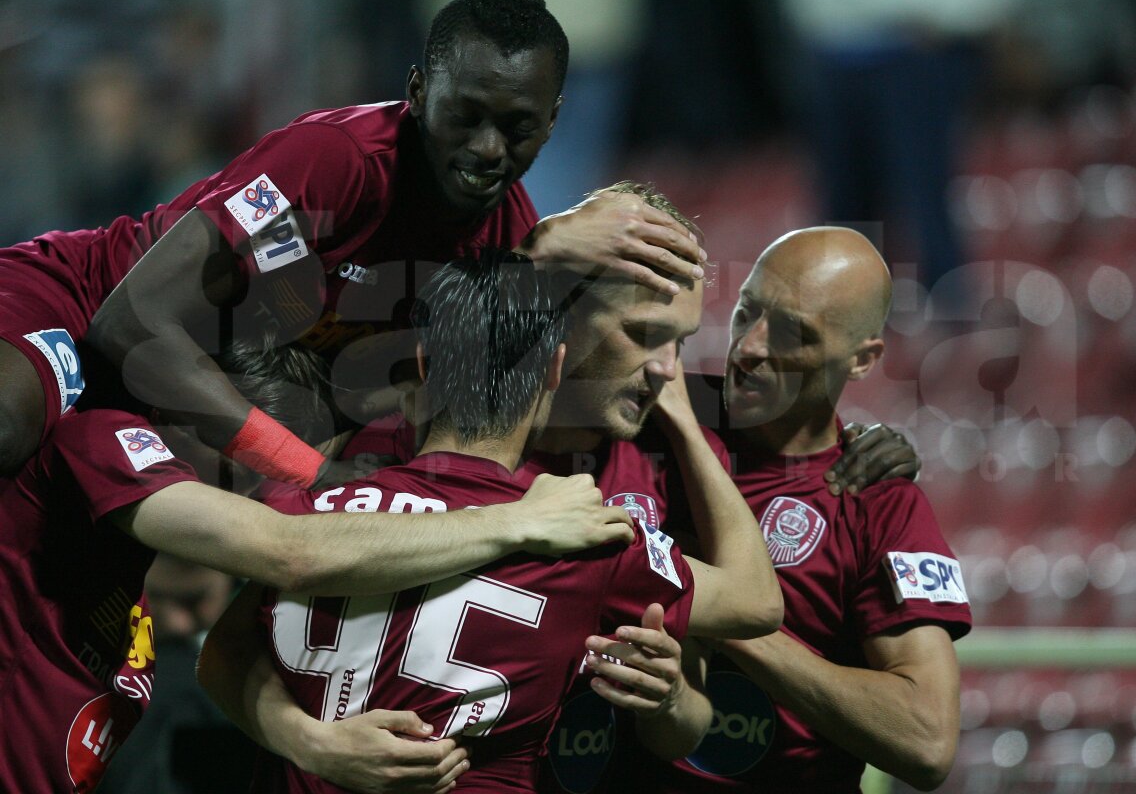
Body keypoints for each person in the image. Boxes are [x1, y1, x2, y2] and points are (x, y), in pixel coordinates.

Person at [0, 0, 705, 483]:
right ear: (419, 89)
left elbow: (483, 428)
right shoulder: (334, 162)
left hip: (179, 402)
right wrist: (310, 473)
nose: (489, 148)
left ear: (553, 122)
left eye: (517, 128)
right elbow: (130, 322)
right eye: (466, 115)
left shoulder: (506, 239)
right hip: (75, 301)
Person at [198, 249, 782, 793]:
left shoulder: (311, 508)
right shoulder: (588, 539)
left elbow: (222, 651)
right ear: (556, 367)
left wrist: (310, 744)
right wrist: (687, 425)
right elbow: (757, 602)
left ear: (423, 363)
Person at [0, 336, 633, 794]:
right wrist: (513, 520)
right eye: (245, 471)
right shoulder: (98, 441)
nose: (248, 497)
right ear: (182, 420)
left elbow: (227, 644)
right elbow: (288, 548)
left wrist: (312, 743)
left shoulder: (126, 566)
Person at [589, 227, 972, 792]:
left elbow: (927, 741)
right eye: (748, 311)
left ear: (862, 358)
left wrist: (716, 607)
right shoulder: (645, 409)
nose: (748, 348)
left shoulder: (877, 502)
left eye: (793, 333)